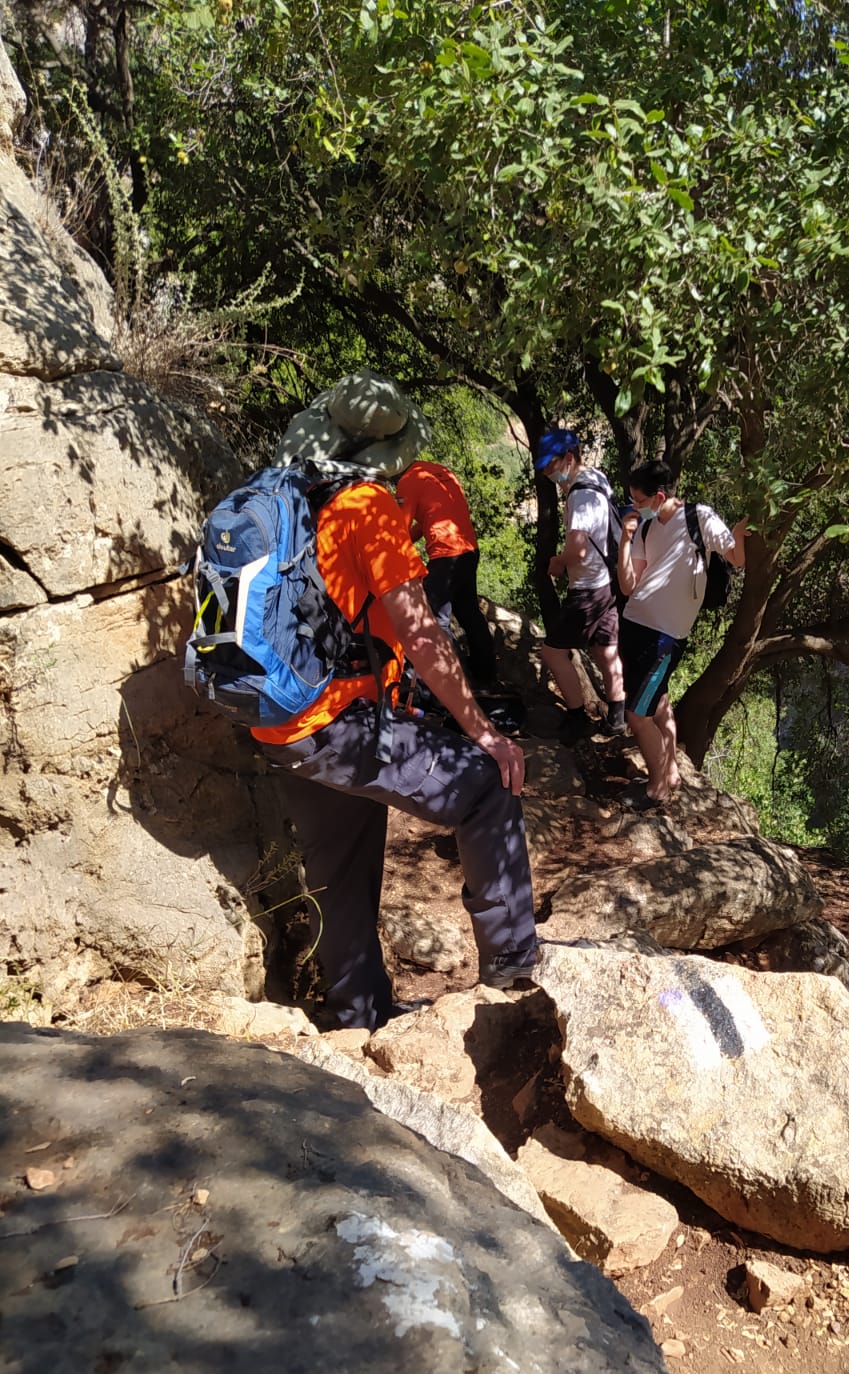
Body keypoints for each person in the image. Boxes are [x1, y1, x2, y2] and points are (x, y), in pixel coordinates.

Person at [256, 377, 537, 1031]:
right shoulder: (365, 506)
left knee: (344, 867)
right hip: (339, 724)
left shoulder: (272, 495)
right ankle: (513, 978)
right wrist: (484, 732)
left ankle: (359, 1019)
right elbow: (422, 631)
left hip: (278, 723)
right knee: (489, 787)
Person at [617, 459, 750, 810]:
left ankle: (657, 787)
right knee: (657, 703)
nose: (635, 507)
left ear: (660, 496)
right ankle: (671, 771)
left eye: (639, 501)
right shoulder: (645, 529)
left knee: (636, 715)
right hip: (634, 625)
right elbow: (629, 584)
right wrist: (625, 541)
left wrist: (737, 533)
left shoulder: (698, 518)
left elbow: (736, 558)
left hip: (665, 637)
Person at [532, 427, 626, 743]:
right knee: (605, 649)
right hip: (610, 583)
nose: (548, 473)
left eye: (551, 466)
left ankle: (577, 718)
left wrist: (558, 562)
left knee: (552, 653)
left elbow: (579, 550)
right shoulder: (597, 479)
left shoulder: (580, 495)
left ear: (569, 458)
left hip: (588, 588)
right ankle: (616, 717)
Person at [394, 458, 496, 687]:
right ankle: (486, 677)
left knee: (430, 618)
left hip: (446, 556)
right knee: (469, 614)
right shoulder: (440, 471)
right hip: (469, 551)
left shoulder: (409, 481)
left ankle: (455, 682)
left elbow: (399, 531)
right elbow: (426, 521)